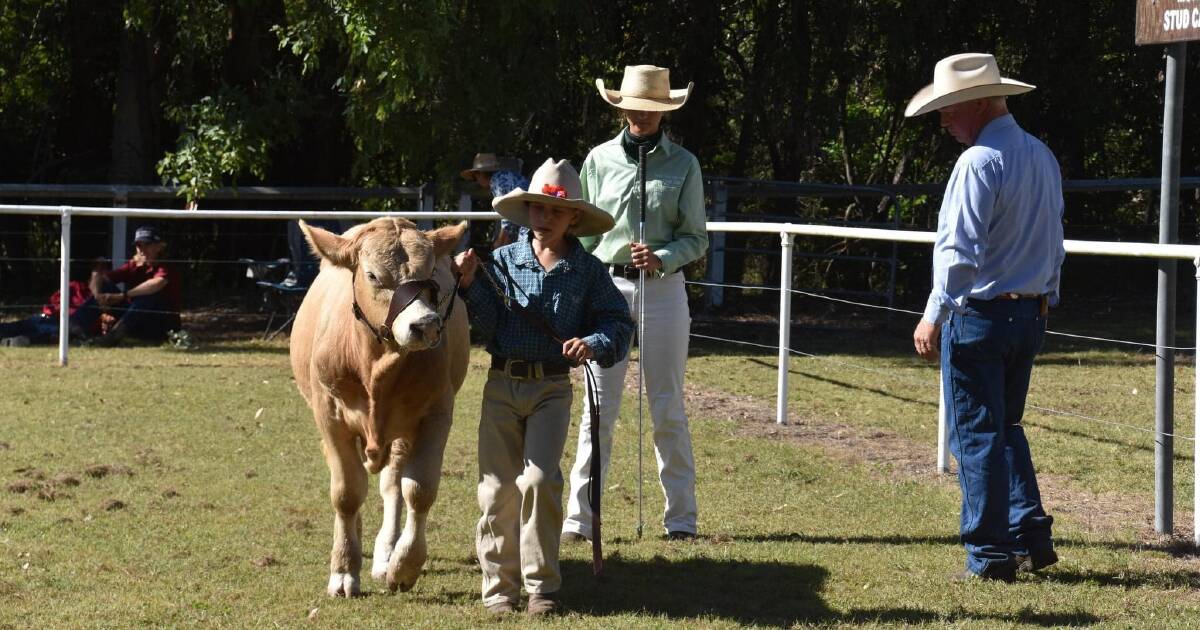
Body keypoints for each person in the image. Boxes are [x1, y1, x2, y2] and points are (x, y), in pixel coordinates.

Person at [906, 53, 1065, 582]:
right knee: (1005, 428)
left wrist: (933, 314)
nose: (945, 122)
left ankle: (991, 557)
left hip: (980, 316)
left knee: (975, 435)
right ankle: (1029, 535)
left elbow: (958, 253)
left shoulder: (977, 162)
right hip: (1029, 313)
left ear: (976, 104)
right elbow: (1053, 241)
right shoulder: (1041, 155)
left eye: (949, 110)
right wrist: (1045, 298)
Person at [455, 158, 633, 615]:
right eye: (537, 208)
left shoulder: (588, 271)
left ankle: (542, 588)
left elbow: (618, 322)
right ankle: (498, 590)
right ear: (526, 211)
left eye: (556, 211)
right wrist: (472, 284)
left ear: (573, 217)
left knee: (538, 480)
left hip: (552, 388)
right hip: (500, 384)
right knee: (496, 490)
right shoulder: (500, 261)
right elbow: (489, 326)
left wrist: (592, 343)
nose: (545, 218)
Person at [562, 65, 709, 543]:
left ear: (664, 111)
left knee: (667, 405)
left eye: (652, 108)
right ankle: (580, 518)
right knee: (599, 405)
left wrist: (663, 257)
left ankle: (681, 519)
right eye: (634, 106)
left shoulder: (684, 164)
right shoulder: (598, 160)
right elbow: (579, 233)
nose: (641, 114)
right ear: (621, 106)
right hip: (607, 288)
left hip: (664, 292)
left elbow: (696, 238)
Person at [80, 225, 183, 346]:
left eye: (147, 244)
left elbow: (156, 284)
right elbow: (100, 276)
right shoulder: (133, 265)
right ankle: (72, 330)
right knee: (105, 287)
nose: (142, 250)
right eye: (139, 245)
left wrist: (122, 296)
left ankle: (112, 337)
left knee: (147, 297)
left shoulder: (167, 266)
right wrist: (99, 297)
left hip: (162, 326)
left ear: (160, 246)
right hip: (136, 321)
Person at [461, 152, 529, 248]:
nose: (477, 181)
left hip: (528, 221)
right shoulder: (504, 176)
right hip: (528, 218)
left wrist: (499, 242)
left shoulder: (499, 182)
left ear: (480, 174)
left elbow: (507, 215)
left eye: (475, 177)